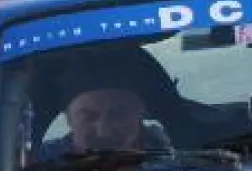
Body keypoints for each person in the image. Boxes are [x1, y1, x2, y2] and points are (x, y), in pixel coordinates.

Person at [35, 56, 173, 160]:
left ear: (140, 113)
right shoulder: (39, 168)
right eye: (89, 117)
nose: (104, 131)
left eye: (119, 115)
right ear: (69, 118)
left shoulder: (177, 159)